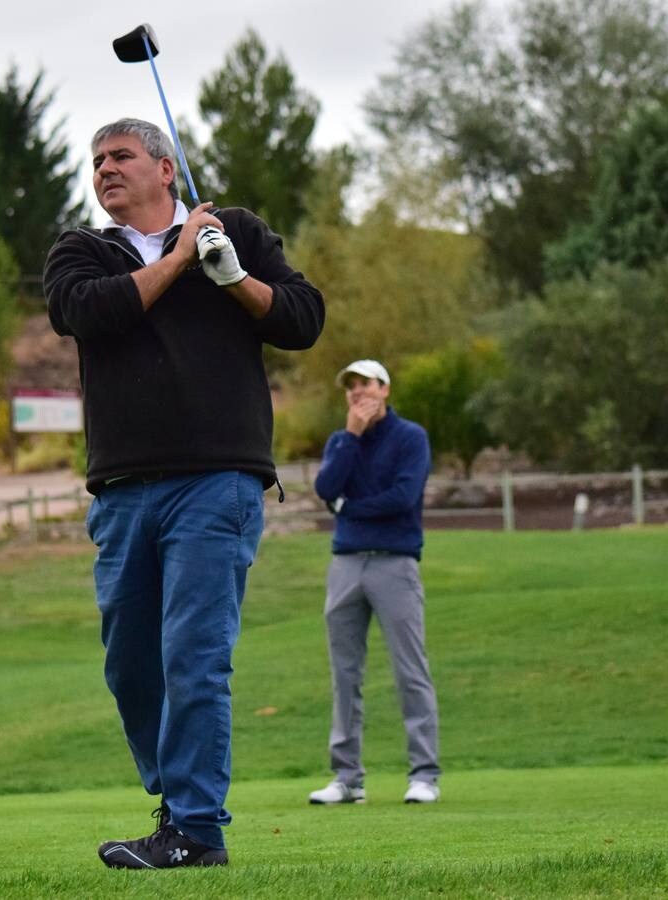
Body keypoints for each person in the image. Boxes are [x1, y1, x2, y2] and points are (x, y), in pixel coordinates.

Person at [43, 118, 324, 869]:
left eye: (122, 156)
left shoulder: (233, 232)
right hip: (124, 489)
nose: (105, 169)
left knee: (194, 656)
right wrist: (177, 261)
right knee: (131, 665)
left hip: (216, 479)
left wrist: (234, 278)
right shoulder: (81, 251)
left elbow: (303, 321)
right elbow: (89, 314)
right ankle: (180, 803)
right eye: (97, 159)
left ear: (167, 169)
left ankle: (197, 829)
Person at [308, 359, 441, 806]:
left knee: (410, 671)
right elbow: (326, 487)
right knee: (345, 674)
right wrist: (350, 437)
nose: (357, 392)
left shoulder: (411, 438)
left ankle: (424, 775)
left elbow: (403, 498)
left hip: (395, 563)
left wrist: (348, 508)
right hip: (346, 563)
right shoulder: (342, 440)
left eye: (365, 383)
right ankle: (347, 779)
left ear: (385, 389)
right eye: (350, 387)